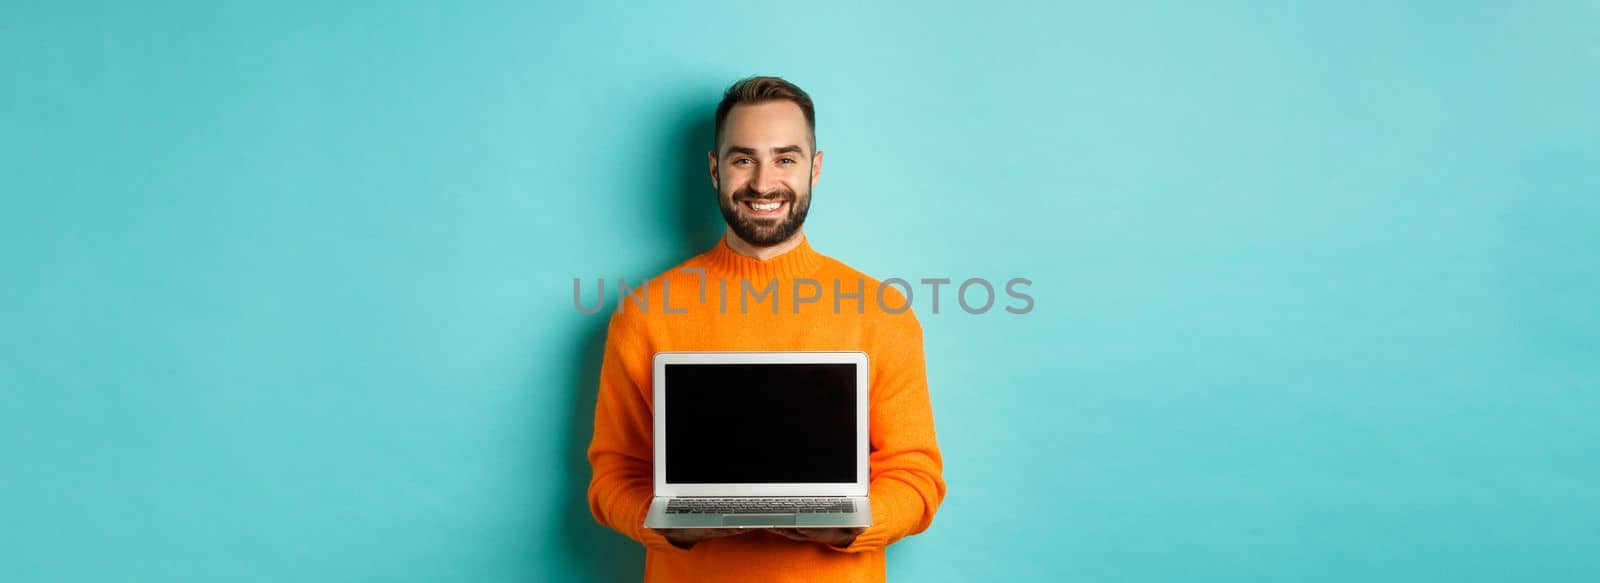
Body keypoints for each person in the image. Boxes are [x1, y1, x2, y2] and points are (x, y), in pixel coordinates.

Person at [586, 75, 946, 582]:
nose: (762, 183)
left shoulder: (881, 311)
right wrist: (663, 524)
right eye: (743, 159)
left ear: (814, 169)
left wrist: (857, 523)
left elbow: (917, 477)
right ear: (715, 170)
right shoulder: (645, 312)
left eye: (785, 158)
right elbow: (612, 477)